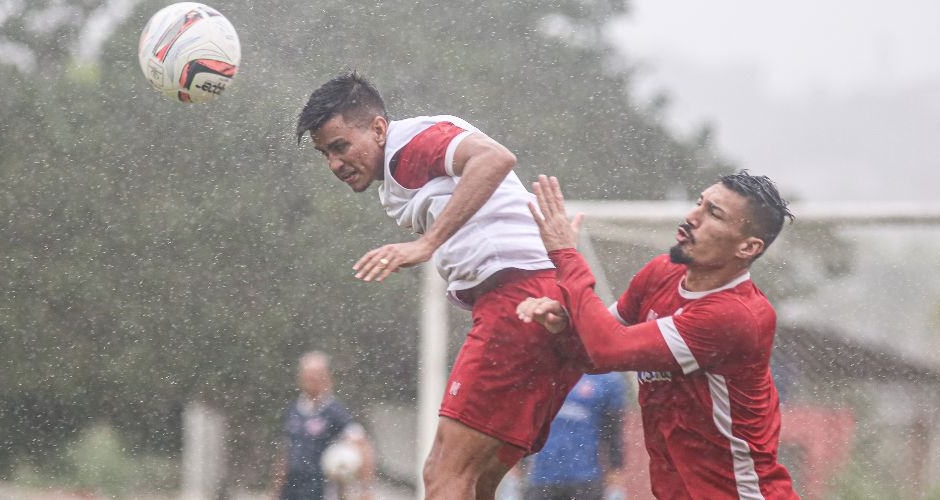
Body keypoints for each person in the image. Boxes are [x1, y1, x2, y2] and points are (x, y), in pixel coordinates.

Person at [295, 72, 589, 500]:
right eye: (325, 153)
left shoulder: (411, 141)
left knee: (440, 476)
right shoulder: (397, 168)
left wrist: (427, 243)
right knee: (481, 479)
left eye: (340, 146)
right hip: (546, 305)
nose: (335, 164)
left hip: (517, 304)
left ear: (378, 129)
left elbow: (495, 158)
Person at [517, 172, 802, 499]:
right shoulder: (661, 273)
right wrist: (564, 326)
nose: (692, 217)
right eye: (699, 204)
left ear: (748, 247)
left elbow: (607, 347)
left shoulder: (736, 315)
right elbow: (591, 351)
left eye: (714, 214)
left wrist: (566, 254)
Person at [271, 351, 375, 500]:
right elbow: (285, 454)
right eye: (307, 373)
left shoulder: (336, 412)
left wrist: (365, 489)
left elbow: (363, 445)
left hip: (321, 491)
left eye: (316, 374)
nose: (311, 378)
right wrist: (275, 491)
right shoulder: (292, 411)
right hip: (291, 491)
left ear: (327, 378)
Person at [527, 372, 627, 500]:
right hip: (540, 476)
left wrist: (616, 468)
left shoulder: (607, 378)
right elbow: (525, 424)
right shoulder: (542, 372)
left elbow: (613, 431)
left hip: (586, 476)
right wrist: (516, 465)